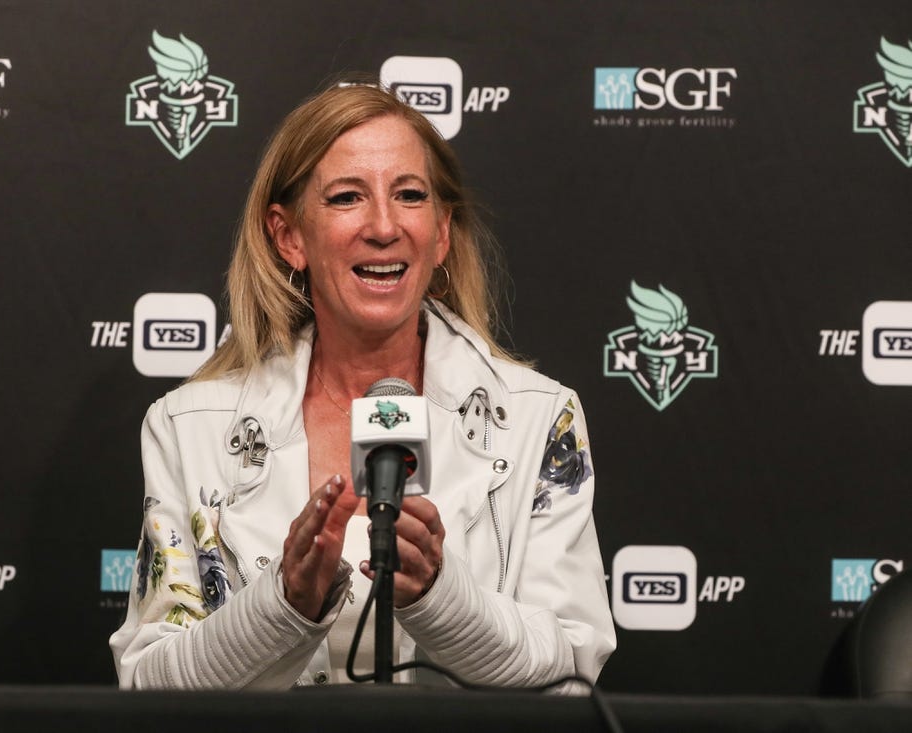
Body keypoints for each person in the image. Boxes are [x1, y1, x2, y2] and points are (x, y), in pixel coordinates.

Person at [109, 81, 616, 690]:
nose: (384, 226)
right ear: (288, 236)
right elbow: (149, 683)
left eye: (409, 195)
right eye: (348, 197)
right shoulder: (190, 429)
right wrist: (284, 604)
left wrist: (438, 594)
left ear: (442, 232)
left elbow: (570, 662)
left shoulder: (539, 419)